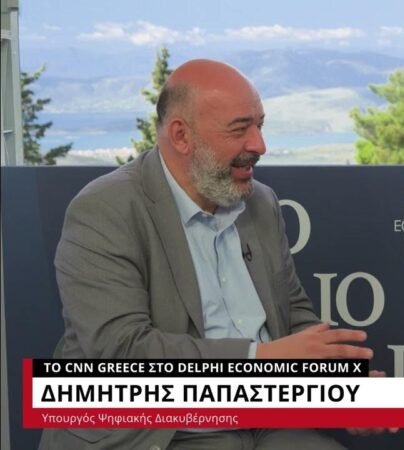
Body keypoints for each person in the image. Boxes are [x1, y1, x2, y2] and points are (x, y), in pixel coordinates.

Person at [40, 59, 379, 450]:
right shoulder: (105, 209)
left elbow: (293, 314)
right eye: (239, 129)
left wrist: (340, 389)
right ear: (181, 136)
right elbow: (121, 351)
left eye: (260, 125)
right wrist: (260, 361)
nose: (259, 145)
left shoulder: (260, 202)